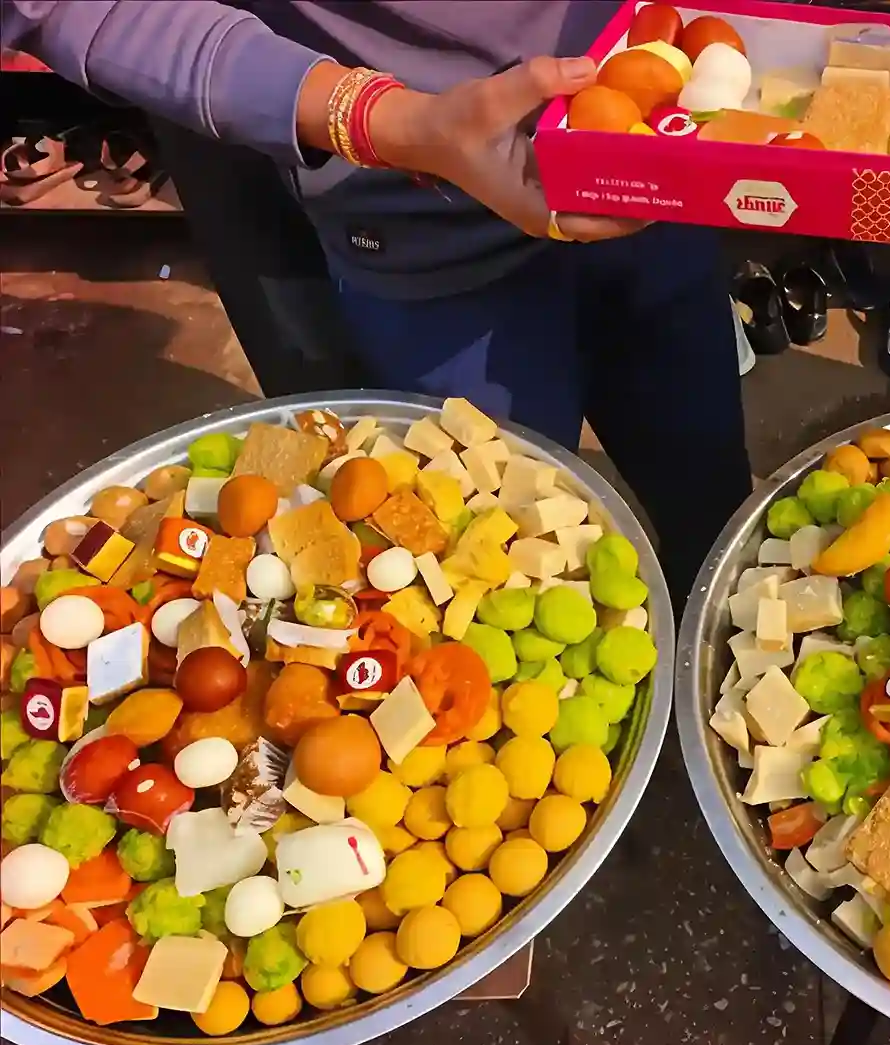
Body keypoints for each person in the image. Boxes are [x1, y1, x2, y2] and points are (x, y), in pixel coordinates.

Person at [2, 1, 753, 598]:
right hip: (420, 229)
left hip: (656, 156)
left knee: (714, 504)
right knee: (497, 566)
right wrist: (381, 120)